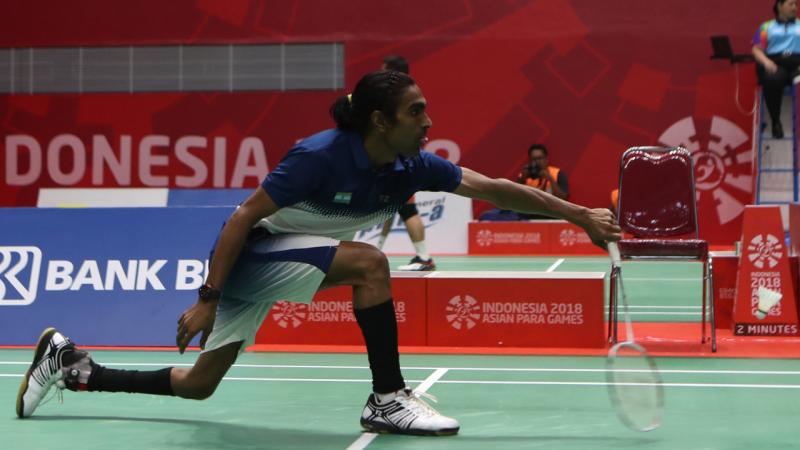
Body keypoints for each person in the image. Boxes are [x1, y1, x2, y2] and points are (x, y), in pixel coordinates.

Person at [16, 71, 621, 437]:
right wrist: (208, 299)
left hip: (276, 257)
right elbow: (239, 219)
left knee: (200, 385)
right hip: (249, 254)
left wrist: (579, 217)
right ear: (380, 121)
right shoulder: (319, 155)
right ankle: (388, 399)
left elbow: (490, 186)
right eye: (417, 113)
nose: (429, 121)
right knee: (369, 263)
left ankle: (74, 366)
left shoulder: (412, 163)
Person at [375, 55, 435, 271]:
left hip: (397, 156)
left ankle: (424, 257)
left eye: (383, 71)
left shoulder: (396, 97)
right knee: (394, 205)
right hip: (398, 155)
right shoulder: (411, 94)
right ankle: (377, 249)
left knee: (407, 207)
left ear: (392, 73)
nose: (379, 74)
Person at [752, 0, 800, 139]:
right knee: (772, 79)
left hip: (797, 64)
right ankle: (775, 121)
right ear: (780, 6)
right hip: (776, 63)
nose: (795, 8)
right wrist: (766, 62)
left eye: (796, 5)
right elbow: (756, 49)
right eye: (791, 4)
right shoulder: (766, 27)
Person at [516, 143, 569, 219]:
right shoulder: (525, 175)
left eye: (540, 158)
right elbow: (515, 198)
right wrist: (522, 180)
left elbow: (564, 199)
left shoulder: (557, 173)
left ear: (546, 159)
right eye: (534, 159)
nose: (537, 162)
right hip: (530, 218)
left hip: (553, 217)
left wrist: (550, 179)